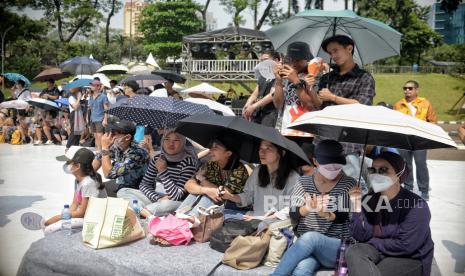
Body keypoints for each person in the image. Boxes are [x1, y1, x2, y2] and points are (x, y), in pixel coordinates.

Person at [272, 140, 357, 276]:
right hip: (307, 248)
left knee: (311, 238)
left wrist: (326, 214)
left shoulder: (349, 184)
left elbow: (345, 216)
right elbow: (293, 213)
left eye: (337, 166)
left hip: (335, 247)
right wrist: (307, 208)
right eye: (328, 166)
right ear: (315, 161)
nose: (333, 170)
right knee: (301, 270)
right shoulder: (303, 182)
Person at [345, 152, 433, 276]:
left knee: (373, 272)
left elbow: (407, 245)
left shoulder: (417, 205)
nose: (376, 174)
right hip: (377, 251)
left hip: (408, 257)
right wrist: (356, 206)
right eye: (372, 169)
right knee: (354, 251)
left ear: (399, 174)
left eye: (383, 170)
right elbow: (361, 237)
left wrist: (373, 242)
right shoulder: (369, 200)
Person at [21, 147, 107, 234]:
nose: (65, 165)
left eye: (68, 162)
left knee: (50, 229)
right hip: (84, 215)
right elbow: (74, 204)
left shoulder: (88, 183)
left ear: (77, 166)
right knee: (53, 223)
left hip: (93, 218)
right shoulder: (78, 180)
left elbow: (82, 213)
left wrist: (59, 218)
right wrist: (64, 216)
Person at [117, 130, 198, 217]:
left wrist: (163, 172)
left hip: (176, 203)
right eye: (167, 139)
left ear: (182, 143)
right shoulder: (158, 158)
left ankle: (140, 211)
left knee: (166, 205)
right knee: (123, 191)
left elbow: (176, 196)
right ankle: (146, 214)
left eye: (176, 140)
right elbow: (144, 185)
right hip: (160, 199)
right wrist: (158, 198)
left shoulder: (188, 162)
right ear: (162, 141)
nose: (171, 144)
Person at [221, 140, 299, 217]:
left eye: (268, 149)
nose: (262, 152)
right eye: (260, 148)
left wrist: (268, 218)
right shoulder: (258, 171)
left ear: (282, 152)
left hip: (277, 225)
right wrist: (229, 196)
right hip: (255, 220)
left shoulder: (293, 177)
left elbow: (293, 208)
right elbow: (248, 196)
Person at [176, 136, 249, 217]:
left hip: (234, 206)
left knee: (208, 197)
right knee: (196, 194)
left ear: (228, 153)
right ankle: (178, 219)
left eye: (216, 147)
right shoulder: (212, 164)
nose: (210, 150)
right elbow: (188, 185)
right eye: (211, 147)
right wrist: (205, 190)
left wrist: (202, 179)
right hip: (213, 203)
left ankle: (187, 221)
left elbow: (221, 195)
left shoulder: (239, 170)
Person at [394, 80, 436, 200]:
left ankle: (424, 190)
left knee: (421, 164)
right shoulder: (398, 105)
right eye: (405, 88)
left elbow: (432, 120)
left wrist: (428, 135)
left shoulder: (425, 103)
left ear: (417, 90)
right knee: (406, 165)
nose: (407, 90)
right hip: (403, 139)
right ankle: (408, 187)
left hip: (420, 139)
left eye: (410, 88)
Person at [315, 35, 375, 109]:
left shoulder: (364, 77)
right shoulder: (326, 77)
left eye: (335, 51)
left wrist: (333, 97)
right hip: (324, 119)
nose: (333, 56)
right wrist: (308, 87)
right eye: (330, 53)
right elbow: (318, 105)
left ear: (349, 49)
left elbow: (363, 105)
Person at [92, 119, 149, 197]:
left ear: (127, 137)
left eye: (114, 133)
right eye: (110, 132)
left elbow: (108, 174)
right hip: (123, 184)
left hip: (138, 190)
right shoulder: (118, 145)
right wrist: (88, 175)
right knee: (94, 186)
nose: (110, 135)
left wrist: (105, 147)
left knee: (107, 193)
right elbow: (99, 158)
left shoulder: (136, 153)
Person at [273, 41, 316, 137]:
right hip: (285, 131)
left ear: (307, 60)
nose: (294, 63)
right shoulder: (285, 76)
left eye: (299, 59)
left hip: (306, 133)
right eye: (291, 59)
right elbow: (278, 104)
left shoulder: (313, 77)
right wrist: (278, 80)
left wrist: (296, 81)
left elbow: (310, 105)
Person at [243, 52, 278, 126]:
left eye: (265, 60)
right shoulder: (263, 76)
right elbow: (255, 93)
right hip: (259, 112)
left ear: (276, 60)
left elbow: (272, 95)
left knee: (266, 136)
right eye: (261, 61)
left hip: (271, 113)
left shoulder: (279, 76)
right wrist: (247, 105)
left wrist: (254, 106)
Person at [88, 79, 109, 153]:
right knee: (95, 135)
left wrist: (105, 119)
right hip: (92, 118)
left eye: (93, 85)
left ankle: (101, 150)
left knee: (100, 135)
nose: (91, 86)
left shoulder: (103, 96)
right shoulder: (90, 96)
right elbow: (90, 108)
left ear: (98, 86)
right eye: (91, 85)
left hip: (100, 118)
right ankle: (98, 150)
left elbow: (106, 108)